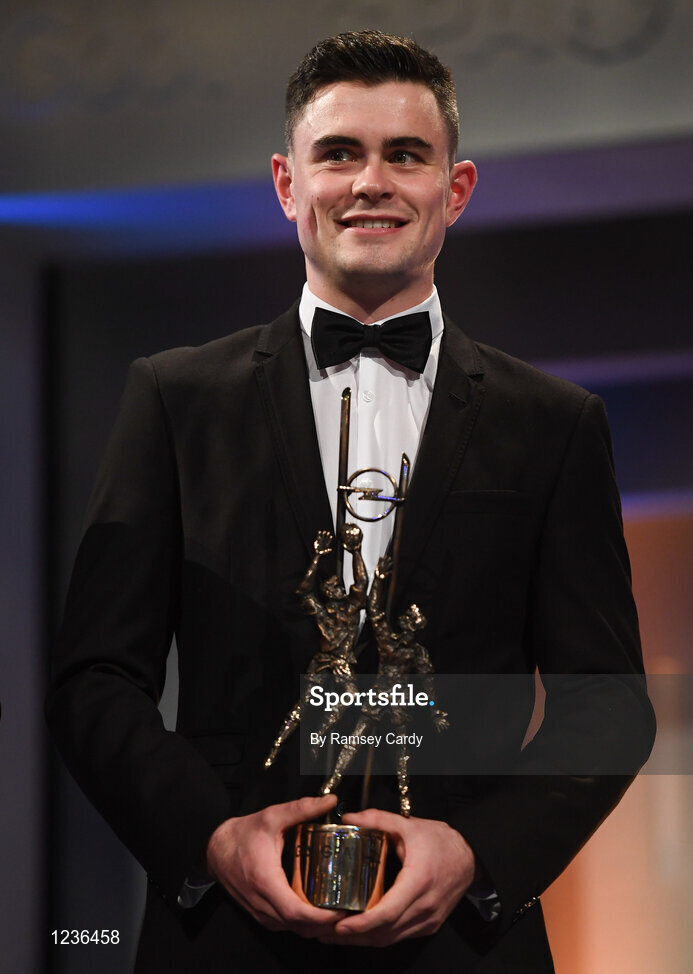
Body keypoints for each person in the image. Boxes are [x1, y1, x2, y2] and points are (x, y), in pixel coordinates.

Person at [46, 29, 655, 973]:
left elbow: (607, 701)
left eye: (404, 154)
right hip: (225, 941)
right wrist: (211, 839)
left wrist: (479, 854)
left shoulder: (553, 423)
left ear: (454, 189)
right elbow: (95, 680)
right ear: (288, 184)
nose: (371, 182)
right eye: (339, 153)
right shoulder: (175, 398)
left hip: (462, 944)